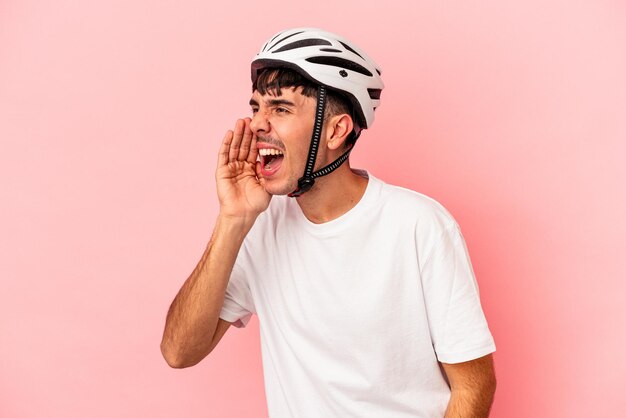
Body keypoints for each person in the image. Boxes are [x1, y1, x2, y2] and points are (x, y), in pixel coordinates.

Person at [161, 27, 497, 417]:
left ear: (336, 130)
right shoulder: (260, 225)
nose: (256, 124)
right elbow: (179, 352)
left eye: (280, 109)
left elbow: (474, 385)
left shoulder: (420, 225)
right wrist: (232, 219)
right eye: (256, 107)